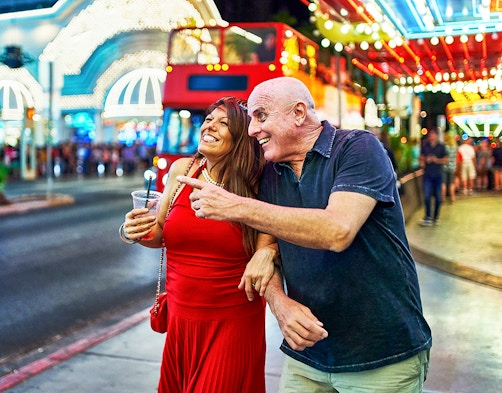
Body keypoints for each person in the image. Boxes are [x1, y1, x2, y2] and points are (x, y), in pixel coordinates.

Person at [179, 77, 432, 393]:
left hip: (380, 356)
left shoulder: (358, 147)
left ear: (299, 113)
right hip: (305, 358)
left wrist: (237, 207)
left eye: (260, 116)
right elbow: (268, 245)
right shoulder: (271, 173)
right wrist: (279, 302)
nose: (252, 129)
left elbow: (337, 230)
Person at [119, 96, 277, 393]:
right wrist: (133, 229)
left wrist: (269, 251)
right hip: (181, 320)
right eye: (208, 120)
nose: (210, 126)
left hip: (233, 322)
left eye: (223, 123)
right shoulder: (182, 170)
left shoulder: (260, 181)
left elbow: (274, 239)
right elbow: (160, 234)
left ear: (242, 136)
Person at [419, 129, 448, 226]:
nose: (431, 137)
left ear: (436, 136)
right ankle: (427, 216)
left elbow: (446, 160)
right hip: (427, 174)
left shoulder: (441, 147)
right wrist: (424, 160)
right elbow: (421, 157)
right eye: (430, 135)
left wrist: (436, 160)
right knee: (427, 196)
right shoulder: (425, 146)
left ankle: (435, 217)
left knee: (438, 197)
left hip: (438, 175)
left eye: (433, 135)